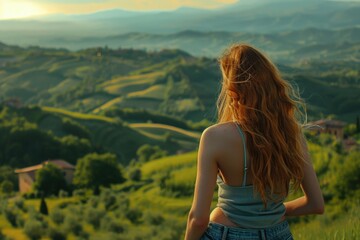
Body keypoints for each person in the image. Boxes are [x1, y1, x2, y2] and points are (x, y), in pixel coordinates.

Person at [185, 44, 324, 240]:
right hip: (279, 234)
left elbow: (198, 220)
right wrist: (277, 212)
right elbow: (316, 204)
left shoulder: (214, 137)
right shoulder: (293, 135)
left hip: (226, 234)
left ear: (233, 92)